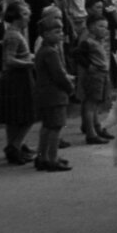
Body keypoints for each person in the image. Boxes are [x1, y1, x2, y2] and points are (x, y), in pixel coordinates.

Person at [33, 18, 74, 172]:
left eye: (61, 31)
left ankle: (42, 156)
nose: (61, 35)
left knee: (47, 126)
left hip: (44, 93)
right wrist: (69, 87)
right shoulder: (51, 52)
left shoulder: (43, 50)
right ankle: (52, 158)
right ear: (45, 34)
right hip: (54, 94)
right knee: (55, 127)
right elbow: (58, 75)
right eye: (56, 32)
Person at [0, 3, 36, 165]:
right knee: (27, 114)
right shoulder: (14, 35)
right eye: (25, 14)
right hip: (18, 78)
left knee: (14, 116)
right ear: (17, 16)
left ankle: (15, 145)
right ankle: (14, 146)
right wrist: (28, 63)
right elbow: (9, 59)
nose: (28, 17)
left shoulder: (14, 33)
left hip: (17, 76)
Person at [75, 15, 114, 144]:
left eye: (105, 27)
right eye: (100, 26)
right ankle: (91, 132)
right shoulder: (88, 42)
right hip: (94, 75)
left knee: (96, 103)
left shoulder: (100, 41)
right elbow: (77, 54)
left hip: (102, 74)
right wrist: (89, 66)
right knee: (91, 104)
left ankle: (97, 127)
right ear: (91, 27)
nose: (104, 30)